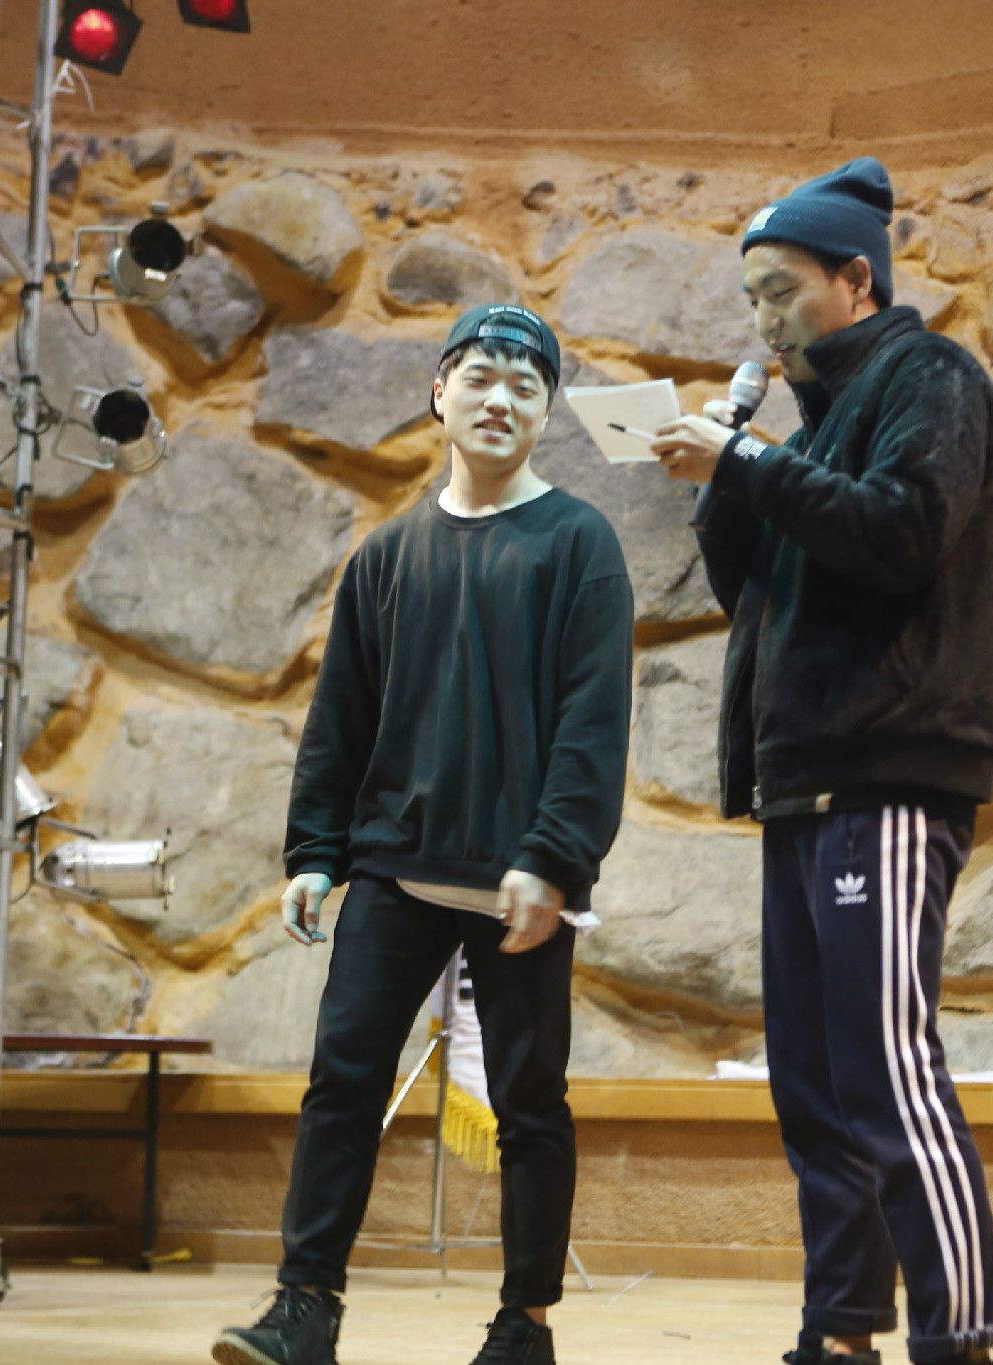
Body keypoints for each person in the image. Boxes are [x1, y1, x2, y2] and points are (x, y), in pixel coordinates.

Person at [212, 304, 634, 1365]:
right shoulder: (385, 555)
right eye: (480, 377)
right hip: (395, 874)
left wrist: (554, 856)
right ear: (439, 393)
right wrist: (315, 852)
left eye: (526, 385)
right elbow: (340, 720)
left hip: (519, 882)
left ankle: (524, 1326)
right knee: (342, 1086)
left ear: (546, 413)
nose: (501, 399)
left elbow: (592, 723)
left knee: (530, 1105)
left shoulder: (578, 544)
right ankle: (305, 1308)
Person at [649, 158, 993, 1365]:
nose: (764, 320)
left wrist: (750, 466)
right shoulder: (811, 426)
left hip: (886, 771)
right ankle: (838, 1331)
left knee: (884, 1066)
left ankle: (957, 1336)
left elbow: (905, 532)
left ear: (856, 279)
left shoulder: (929, 377)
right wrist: (729, 477)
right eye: (750, 299)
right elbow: (753, 596)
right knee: (811, 1081)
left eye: (781, 290)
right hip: (801, 780)